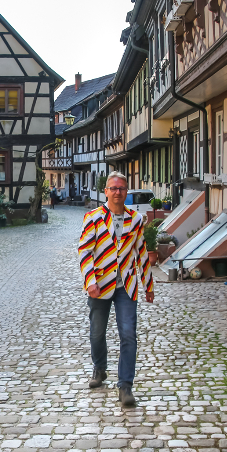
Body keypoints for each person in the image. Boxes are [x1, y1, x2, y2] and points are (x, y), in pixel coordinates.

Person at [78, 171, 154, 407]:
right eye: (113, 188)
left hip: (127, 286)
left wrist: (148, 284)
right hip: (100, 285)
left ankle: (125, 386)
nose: (117, 192)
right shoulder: (93, 217)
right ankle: (99, 368)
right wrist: (90, 281)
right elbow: (84, 251)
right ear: (106, 192)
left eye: (121, 188)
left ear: (126, 191)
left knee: (128, 334)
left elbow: (141, 251)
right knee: (97, 333)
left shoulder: (135, 219)